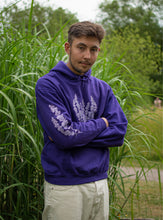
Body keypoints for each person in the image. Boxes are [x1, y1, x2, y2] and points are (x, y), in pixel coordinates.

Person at [35, 21, 128, 220]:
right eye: (81, 47)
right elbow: (65, 136)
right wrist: (102, 123)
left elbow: (119, 132)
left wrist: (71, 135)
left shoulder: (103, 88)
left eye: (93, 49)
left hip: (100, 184)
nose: (87, 56)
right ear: (68, 47)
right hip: (64, 186)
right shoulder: (48, 85)